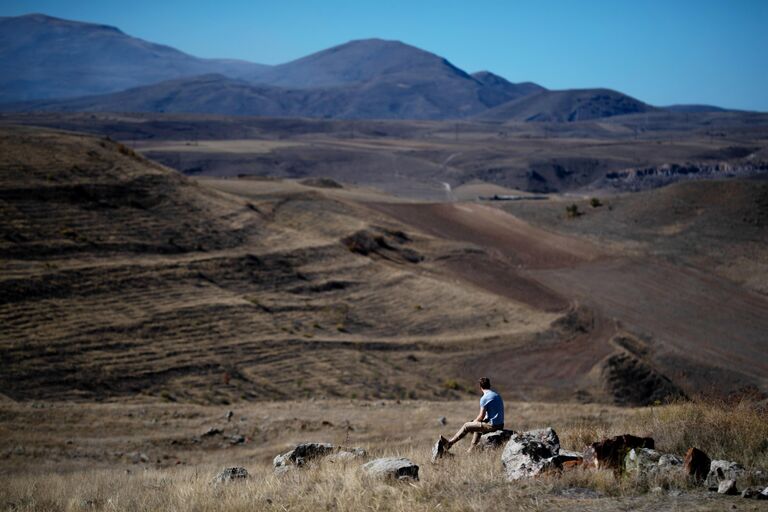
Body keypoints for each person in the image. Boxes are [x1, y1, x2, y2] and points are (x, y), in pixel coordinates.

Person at [433, 377, 504, 460]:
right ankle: (470, 452)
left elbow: (481, 416)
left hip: (492, 426)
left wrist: (474, 422)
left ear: (480, 387)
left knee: (467, 425)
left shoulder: (484, 398)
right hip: (500, 425)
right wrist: (475, 423)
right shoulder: (497, 395)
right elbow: (491, 414)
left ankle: (449, 443)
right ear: (490, 385)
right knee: (478, 428)